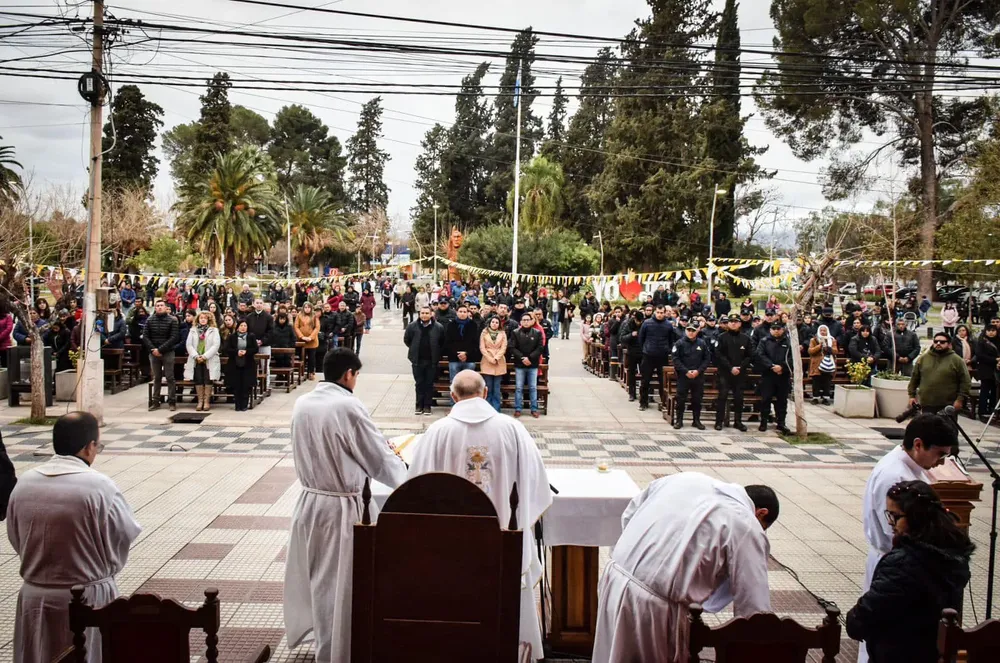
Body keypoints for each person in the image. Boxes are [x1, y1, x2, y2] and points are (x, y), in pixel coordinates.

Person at [407, 370, 552, 659]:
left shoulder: (437, 432)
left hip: (451, 544)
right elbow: (537, 485)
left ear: (452, 396)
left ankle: (453, 647)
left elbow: (416, 490)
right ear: (485, 393)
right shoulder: (512, 429)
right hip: (504, 540)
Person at [284, 348, 407, 663]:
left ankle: (326, 644)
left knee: (319, 580)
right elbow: (376, 457)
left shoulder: (303, 402)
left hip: (310, 503)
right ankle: (336, 651)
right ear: (349, 374)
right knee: (338, 586)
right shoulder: (348, 406)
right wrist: (403, 473)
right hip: (340, 509)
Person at [593, 472, 778, 663]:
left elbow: (629, 514)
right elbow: (755, 607)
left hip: (614, 578)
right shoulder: (746, 523)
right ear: (761, 513)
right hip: (653, 609)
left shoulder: (686, 478)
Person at [7, 412, 141, 663]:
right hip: (89, 596)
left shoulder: (24, 483)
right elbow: (123, 534)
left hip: (36, 596)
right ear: (89, 447)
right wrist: (100, 563)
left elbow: (16, 536)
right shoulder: (100, 486)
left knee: (39, 653)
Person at [855, 413, 954, 663]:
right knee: (887, 637)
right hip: (896, 564)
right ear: (918, 444)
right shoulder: (895, 476)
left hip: (902, 564)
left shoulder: (908, 466)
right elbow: (896, 534)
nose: (941, 462)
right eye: (939, 454)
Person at [850, 479, 972, 663]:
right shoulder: (953, 555)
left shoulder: (902, 565)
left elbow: (864, 617)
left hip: (900, 654)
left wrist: (854, 620)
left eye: (895, 516)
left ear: (916, 517)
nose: (891, 523)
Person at [907, 332, 970, 416]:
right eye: (936, 341)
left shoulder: (957, 360)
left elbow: (965, 382)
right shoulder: (923, 359)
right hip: (927, 403)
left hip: (948, 405)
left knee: (947, 428)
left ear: (949, 344)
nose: (938, 344)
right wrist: (912, 396)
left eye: (942, 342)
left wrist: (960, 399)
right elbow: (914, 378)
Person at [713, 313, 753, 431]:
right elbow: (719, 354)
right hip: (725, 373)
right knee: (722, 396)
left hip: (740, 373)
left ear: (740, 323)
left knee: (739, 398)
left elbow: (749, 355)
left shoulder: (745, 338)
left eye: (736, 321)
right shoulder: (721, 337)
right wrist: (730, 367)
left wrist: (740, 367)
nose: (733, 323)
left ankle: (738, 421)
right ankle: (719, 422)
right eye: (731, 321)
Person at [404, 306, 444, 416]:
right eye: (422, 313)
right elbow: (407, 340)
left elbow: (441, 342)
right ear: (419, 314)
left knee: (429, 384)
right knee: (419, 383)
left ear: (431, 314)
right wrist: (414, 349)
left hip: (431, 361)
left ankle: (427, 406)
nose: (424, 315)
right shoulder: (412, 326)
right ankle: (418, 405)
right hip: (417, 360)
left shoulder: (438, 327)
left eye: (427, 313)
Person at [755, 321, 793, 434]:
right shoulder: (764, 341)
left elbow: (792, 358)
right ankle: (764, 422)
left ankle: (781, 423)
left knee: (782, 401)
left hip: (783, 375)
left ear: (783, 329)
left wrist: (782, 367)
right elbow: (760, 355)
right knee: (766, 399)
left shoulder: (789, 342)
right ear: (770, 330)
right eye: (774, 328)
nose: (776, 330)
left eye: (779, 328)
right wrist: (772, 366)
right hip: (768, 375)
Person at [671, 322, 710, 429]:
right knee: (681, 399)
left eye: (693, 330)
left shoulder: (702, 343)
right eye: (689, 330)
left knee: (697, 399)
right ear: (685, 330)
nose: (691, 332)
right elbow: (675, 359)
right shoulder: (679, 343)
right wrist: (686, 371)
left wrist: (698, 371)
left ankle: (696, 420)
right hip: (684, 376)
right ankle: (679, 420)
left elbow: (707, 359)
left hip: (698, 376)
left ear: (697, 331)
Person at [143, 299, 180, 412]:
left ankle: (172, 401)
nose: (159, 307)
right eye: (157, 305)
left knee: (170, 377)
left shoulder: (172, 320)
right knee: (157, 377)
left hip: (167, 352)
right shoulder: (150, 320)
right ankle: (155, 401)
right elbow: (145, 336)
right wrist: (153, 349)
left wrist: (161, 349)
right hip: (153, 352)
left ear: (165, 307)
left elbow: (174, 337)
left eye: (161, 305)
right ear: (155, 307)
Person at [637, 305, 675, 412]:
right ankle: (643, 402)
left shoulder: (668, 325)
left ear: (665, 313)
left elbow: (671, 340)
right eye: (658, 312)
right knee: (645, 381)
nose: (660, 314)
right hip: (648, 355)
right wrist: (645, 349)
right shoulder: (647, 323)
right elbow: (641, 338)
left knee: (662, 381)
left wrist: (668, 349)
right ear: (655, 312)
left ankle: (663, 403)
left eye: (662, 312)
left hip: (662, 356)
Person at [184, 311, 221, 412]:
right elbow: (189, 345)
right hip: (196, 359)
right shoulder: (193, 330)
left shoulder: (214, 330)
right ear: (198, 319)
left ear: (209, 319)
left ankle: (206, 401)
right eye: (201, 318)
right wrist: (196, 356)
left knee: (207, 379)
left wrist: (205, 356)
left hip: (208, 359)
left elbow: (216, 345)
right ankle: (200, 401)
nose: (203, 319)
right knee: (199, 379)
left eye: (205, 318)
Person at [509, 312, 544, 418]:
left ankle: (534, 408)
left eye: (527, 320)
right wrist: (522, 358)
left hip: (532, 364)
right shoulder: (515, 332)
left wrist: (530, 358)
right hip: (520, 364)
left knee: (533, 387)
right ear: (520, 322)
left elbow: (540, 347)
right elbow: (512, 347)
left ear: (531, 321)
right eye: (523, 320)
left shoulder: (537, 333)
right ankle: (518, 408)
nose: (525, 322)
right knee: (519, 387)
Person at [224, 319, 257, 412]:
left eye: (245, 326)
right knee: (237, 385)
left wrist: (246, 352)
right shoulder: (232, 337)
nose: (243, 328)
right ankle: (237, 405)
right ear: (238, 327)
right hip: (235, 363)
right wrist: (237, 352)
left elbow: (255, 349)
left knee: (246, 385)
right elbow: (227, 349)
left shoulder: (251, 336)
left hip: (248, 364)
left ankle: (244, 404)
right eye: (241, 326)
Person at [445, 303, 479, 390]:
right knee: (454, 383)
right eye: (460, 311)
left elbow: (475, 342)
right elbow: (448, 342)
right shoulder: (451, 325)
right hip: (454, 358)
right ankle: (454, 402)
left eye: (464, 311)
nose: (462, 313)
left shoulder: (473, 325)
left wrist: (466, 353)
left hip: (469, 358)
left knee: (469, 384)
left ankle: (467, 402)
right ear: (456, 312)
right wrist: (458, 354)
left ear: (467, 313)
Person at [479, 316, 508, 412]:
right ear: (490, 323)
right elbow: (482, 347)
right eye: (493, 322)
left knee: (496, 388)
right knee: (488, 387)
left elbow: (504, 347)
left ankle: (496, 409)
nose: (494, 324)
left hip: (499, 361)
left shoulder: (503, 333)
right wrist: (490, 358)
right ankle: (487, 409)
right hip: (487, 360)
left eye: (496, 322)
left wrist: (496, 358)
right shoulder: (484, 333)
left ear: (499, 324)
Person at [808, 325, 839, 405]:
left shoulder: (832, 340)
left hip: (828, 363)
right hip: (817, 363)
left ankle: (826, 398)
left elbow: (836, 351)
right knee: (816, 381)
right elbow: (810, 351)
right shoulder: (814, 340)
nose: (822, 332)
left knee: (827, 381)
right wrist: (819, 346)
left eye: (824, 330)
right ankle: (815, 397)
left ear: (827, 331)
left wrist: (829, 349)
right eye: (821, 330)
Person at [975, 325, 999, 421]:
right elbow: (979, 355)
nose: (991, 333)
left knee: (994, 391)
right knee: (985, 391)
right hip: (985, 369)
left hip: (997, 369)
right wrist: (995, 360)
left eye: (993, 330)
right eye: (989, 331)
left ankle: (992, 410)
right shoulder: (982, 341)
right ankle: (983, 412)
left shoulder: (998, 340)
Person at [294, 302, 320, 380]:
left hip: (312, 341)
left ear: (311, 308)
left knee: (311, 358)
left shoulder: (314, 316)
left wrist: (311, 337)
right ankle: (301, 372)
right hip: (302, 340)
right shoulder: (299, 315)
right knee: (302, 357)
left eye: (308, 307)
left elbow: (317, 327)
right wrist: (301, 336)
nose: (307, 309)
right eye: (305, 307)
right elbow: (296, 327)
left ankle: (311, 372)